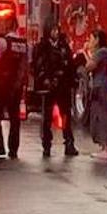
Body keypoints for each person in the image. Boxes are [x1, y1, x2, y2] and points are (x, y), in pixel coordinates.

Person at [32, 23, 78, 157]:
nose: (55, 32)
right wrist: (44, 79)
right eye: (52, 30)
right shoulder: (42, 47)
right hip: (48, 87)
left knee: (66, 115)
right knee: (47, 118)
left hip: (63, 86)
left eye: (56, 30)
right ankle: (46, 145)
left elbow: (70, 64)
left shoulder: (64, 46)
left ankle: (69, 143)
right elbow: (37, 65)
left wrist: (70, 79)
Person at [0, 26, 29, 159]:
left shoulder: (2, 42)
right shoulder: (24, 44)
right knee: (14, 118)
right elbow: (27, 64)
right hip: (17, 86)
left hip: (2, 85)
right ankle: (13, 149)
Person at [85, 28, 107, 160]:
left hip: (102, 88)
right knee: (102, 116)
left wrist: (85, 52)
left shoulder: (101, 53)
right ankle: (104, 147)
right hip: (106, 87)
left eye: (91, 39)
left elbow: (89, 66)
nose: (89, 42)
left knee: (103, 117)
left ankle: (106, 149)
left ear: (97, 40)